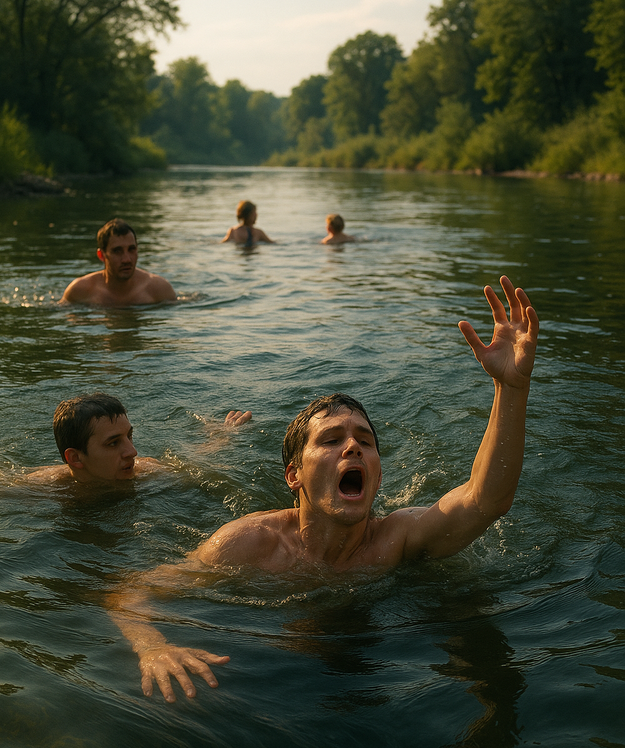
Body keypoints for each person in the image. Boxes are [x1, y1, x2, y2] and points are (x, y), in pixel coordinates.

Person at [106, 276, 539, 702]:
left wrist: (510, 387)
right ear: (293, 475)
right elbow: (129, 596)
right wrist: (153, 648)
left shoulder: (398, 538)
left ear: (378, 476)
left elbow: (486, 498)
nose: (352, 446)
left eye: (364, 441)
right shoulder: (247, 544)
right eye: (331, 440)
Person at [26, 393, 252, 485]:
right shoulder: (41, 489)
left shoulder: (146, 472)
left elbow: (191, 466)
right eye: (113, 443)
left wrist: (222, 437)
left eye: (129, 436)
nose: (133, 452)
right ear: (75, 458)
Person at [60, 218, 177, 307]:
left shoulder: (160, 290)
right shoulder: (79, 292)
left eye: (131, 249)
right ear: (102, 255)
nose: (127, 259)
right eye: (117, 251)